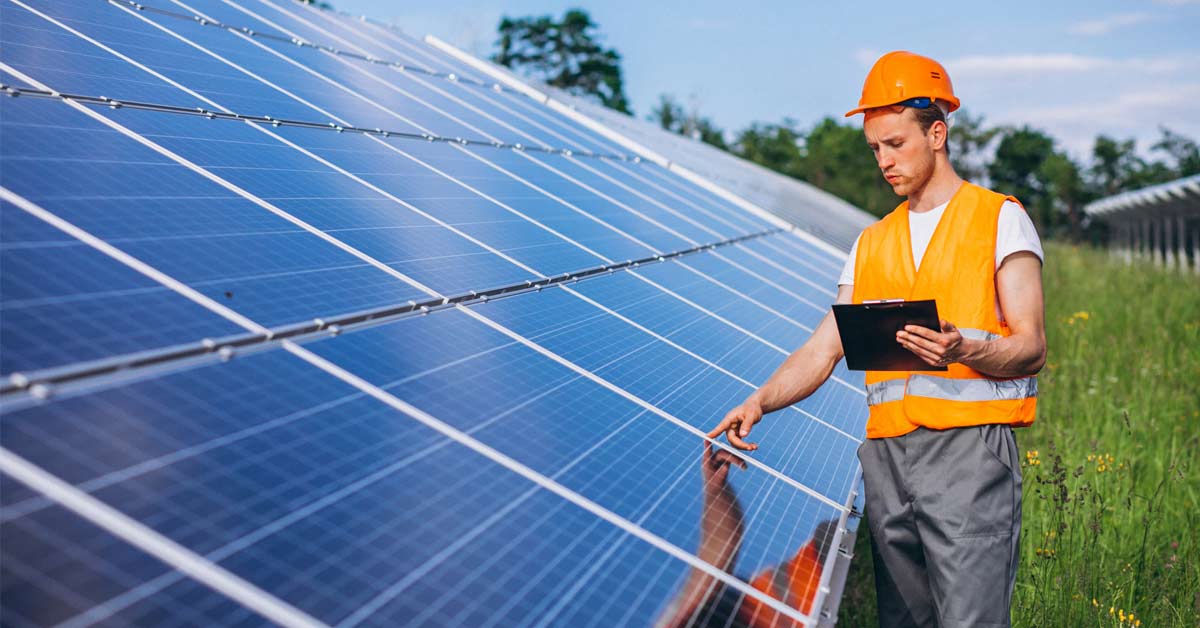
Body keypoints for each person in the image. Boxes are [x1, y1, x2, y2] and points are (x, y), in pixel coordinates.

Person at [707, 50, 1046, 628]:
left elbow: (1032, 345)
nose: (884, 161)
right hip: (887, 461)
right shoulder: (871, 243)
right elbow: (823, 348)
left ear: (936, 133)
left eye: (896, 144)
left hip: (970, 455)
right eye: (875, 149)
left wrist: (964, 347)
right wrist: (759, 401)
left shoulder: (998, 218)